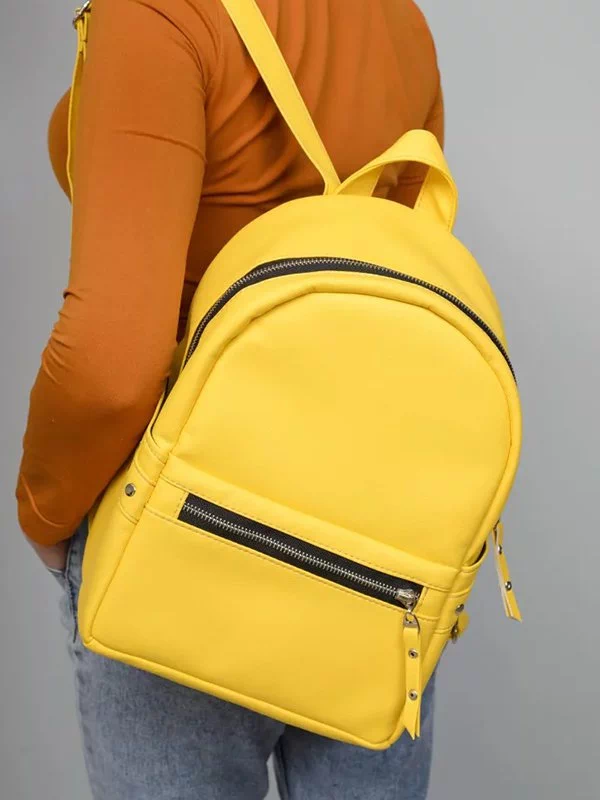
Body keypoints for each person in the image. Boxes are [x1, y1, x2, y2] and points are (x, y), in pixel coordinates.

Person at [16, 0, 444, 796]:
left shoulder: (158, 16)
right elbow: (400, 278)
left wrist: (45, 508)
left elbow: (110, 364)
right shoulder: (400, 22)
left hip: (187, 538)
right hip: (370, 540)